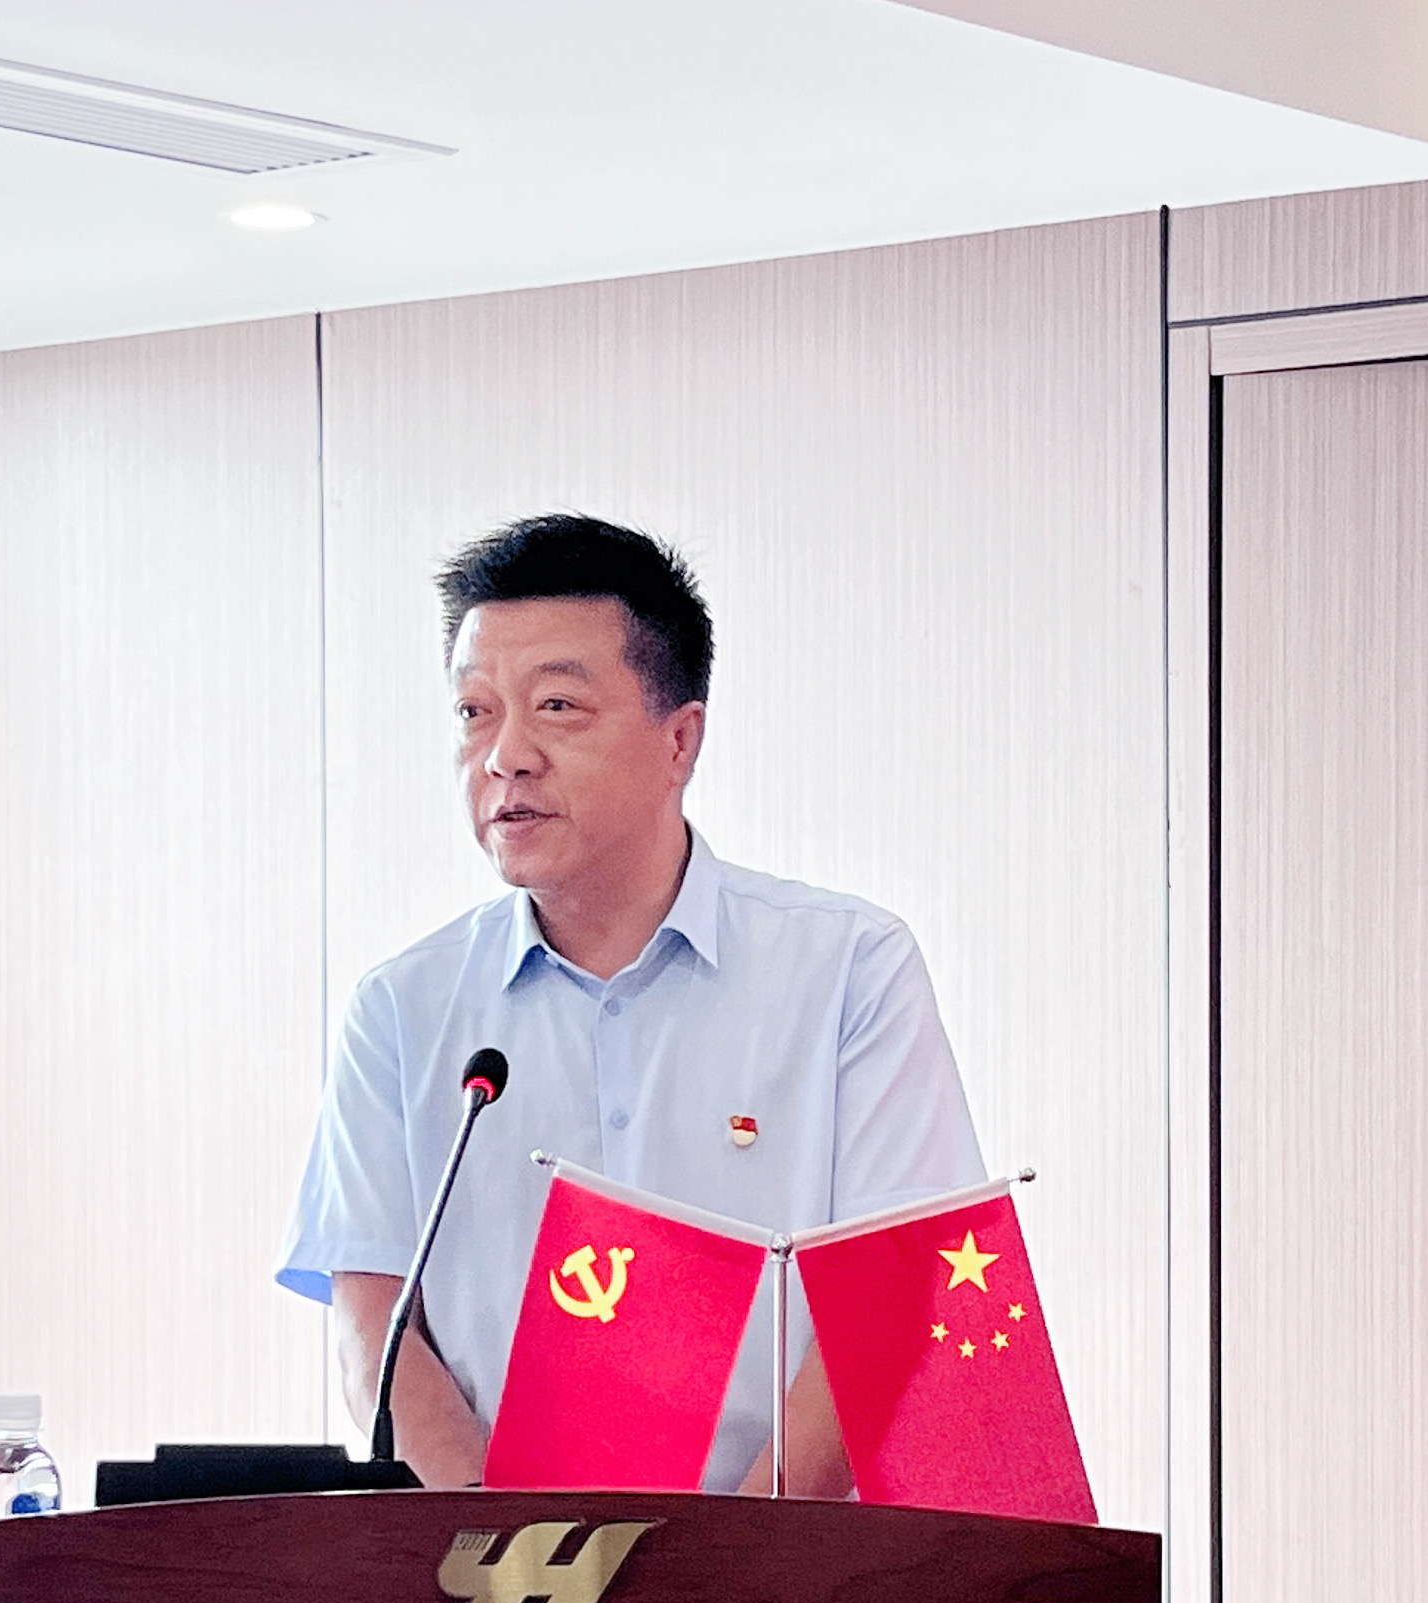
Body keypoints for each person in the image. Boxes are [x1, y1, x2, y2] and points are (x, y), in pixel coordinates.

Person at [277, 513, 984, 1494]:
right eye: (474, 711)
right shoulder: (403, 1010)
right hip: (498, 1576)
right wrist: (516, 1558)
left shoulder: (848, 971)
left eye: (556, 706)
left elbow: (890, 1311)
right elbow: (374, 1332)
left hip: (786, 1568)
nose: (505, 755)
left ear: (680, 739)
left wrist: (728, 1564)